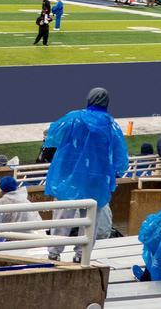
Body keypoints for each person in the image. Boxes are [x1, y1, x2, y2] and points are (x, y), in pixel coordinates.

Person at [44, 87, 129, 262]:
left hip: (70, 178)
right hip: (96, 179)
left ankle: (54, 253)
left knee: (62, 216)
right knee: (91, 220)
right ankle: (81, 256)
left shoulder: (74, 118)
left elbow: (52, 135)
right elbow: (121, 159)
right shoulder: (111, 125)